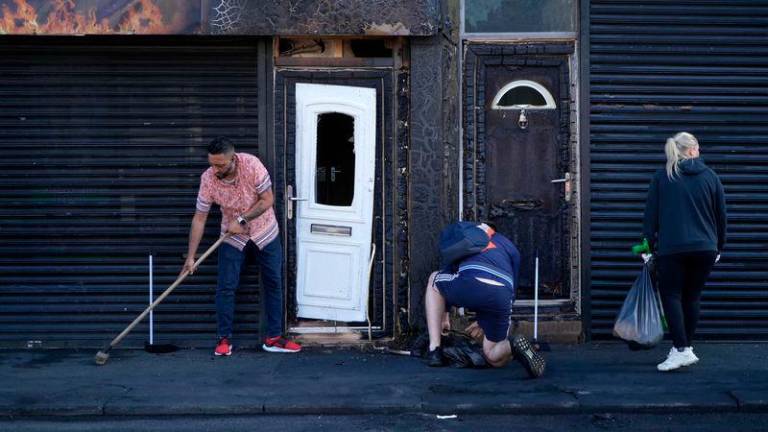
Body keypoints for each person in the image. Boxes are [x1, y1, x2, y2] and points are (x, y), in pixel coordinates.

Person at [182, 137, 301, 356]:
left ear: (233, 159)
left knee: (273, 282)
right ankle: (224, 340)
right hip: (231, 236)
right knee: (226, 286)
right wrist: (191, 257)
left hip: (265, 232)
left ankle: (273, 338)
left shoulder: (252, 165)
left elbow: (267, 200)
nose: (215, 169)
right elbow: (199, 218)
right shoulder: (208, 179)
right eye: (211, 163)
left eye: (220, 165)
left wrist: (243, 219)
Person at [643, 132, 726, 372]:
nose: (699, 151)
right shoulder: (711, 177)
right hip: (706, 249)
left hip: (673, 249)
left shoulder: (663, 177)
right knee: (692, 296)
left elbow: (651, 216)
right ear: (690, 150)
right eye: (697, 148)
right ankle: (685, 348)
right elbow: (722, 216)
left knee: (671, 296)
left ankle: (680, 349)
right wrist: (719, 245)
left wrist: (646, 246)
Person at [424, 223, 545, 378]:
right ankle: (512, 344)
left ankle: (435, 350)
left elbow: (447, 271)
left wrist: (445, 314)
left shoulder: (464, 238)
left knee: (434, 279)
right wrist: (484, 321)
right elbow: (512, 288)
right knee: (494, 356)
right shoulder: (509, 246)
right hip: (503, 293)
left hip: (472, 281)